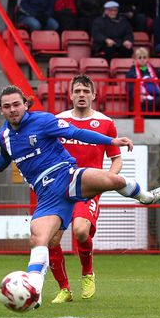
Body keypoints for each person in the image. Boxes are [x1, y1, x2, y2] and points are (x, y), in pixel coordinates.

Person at [0, 85, 160, 308]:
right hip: (47, 195)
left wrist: (110, 141)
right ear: (1, 110)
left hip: (68, 176)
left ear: (25, 104)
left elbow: (75, 132)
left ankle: (146, 196)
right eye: (7, 106)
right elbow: (5, 158)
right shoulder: (4, 135)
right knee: (40, 240)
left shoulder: (44, 121)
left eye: (17, 104)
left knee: (112, 181)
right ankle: (35, 291)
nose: (13, 109)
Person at [47, 75, 123, 303]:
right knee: (51, 239)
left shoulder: (105, 123)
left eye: (85, 91)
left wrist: (107, 179)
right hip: (59, 188)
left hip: (87, 188)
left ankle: (87, 272)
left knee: (80, 231)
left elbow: (116, 159)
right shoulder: (57, 121)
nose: (81, 95)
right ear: (70, 95)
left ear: (93, 95)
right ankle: (64, 289)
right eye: (77, 91)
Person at [125, 47, 160, 111]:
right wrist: (137, 96)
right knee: (148, 104)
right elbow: (130, 87)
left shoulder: (154, 71)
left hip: (155, 96)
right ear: (135, 59)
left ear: (148, 59)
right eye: (140, 57)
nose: (142, 59)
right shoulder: (131, 73)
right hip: (142, 97)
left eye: (144, 57)